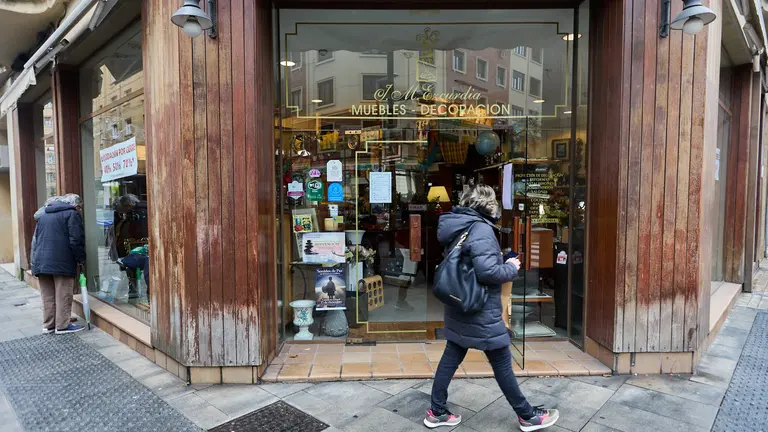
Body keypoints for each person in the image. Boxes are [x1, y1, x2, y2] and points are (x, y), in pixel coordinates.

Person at [425, 185, 559, 431]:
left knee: (452, 355)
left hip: (460, 303)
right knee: (501, 361)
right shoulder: (481, 229)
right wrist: (510, 267)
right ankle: (527, 415)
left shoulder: (459, 225)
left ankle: (436, 411)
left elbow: (471, 263)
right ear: (489, 206)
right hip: (480, 308)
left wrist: (499, 259)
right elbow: (488, 273)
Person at [30, 193, 86, 334]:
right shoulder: (72, 214)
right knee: (63, 294)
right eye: (80, 207)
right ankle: (62, 325)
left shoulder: (44, 215)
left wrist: (34, 264)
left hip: (41, 261)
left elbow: (35, 241)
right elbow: (76, 240)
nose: (80, 209)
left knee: (47, 295)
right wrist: (80, 259)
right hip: (62, 261)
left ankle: (48, 325)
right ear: (75, 205)